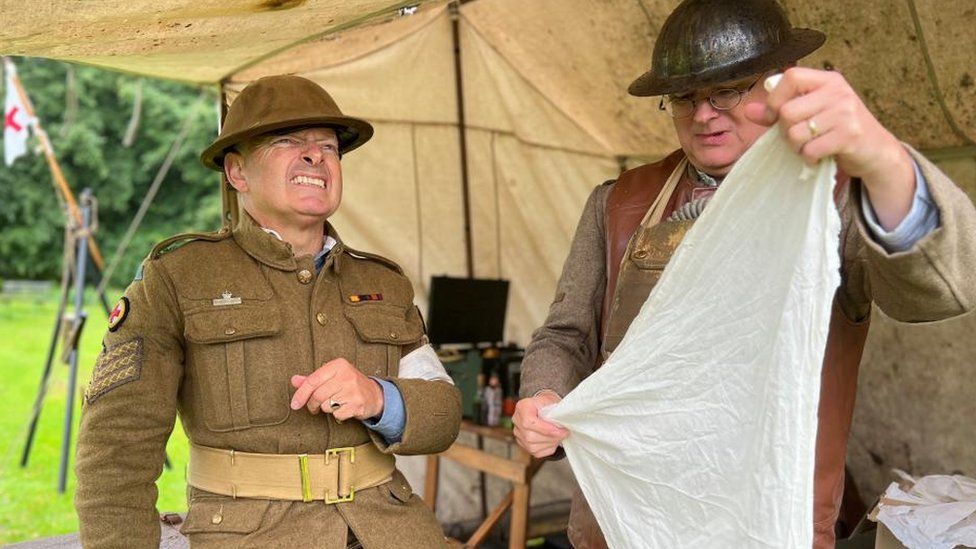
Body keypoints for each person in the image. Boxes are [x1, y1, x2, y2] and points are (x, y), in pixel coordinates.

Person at [511, 1, 976, 548]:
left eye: (729, 89)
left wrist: (885, 164)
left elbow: (938, 293)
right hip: (623, 515)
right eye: (685, 96)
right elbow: (566, 335)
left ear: (775, 84)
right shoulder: (619, 202)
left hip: (766, 519)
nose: (704, 114)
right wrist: (544, 393)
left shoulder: (836, 195)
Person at [75, 75, 461, 548]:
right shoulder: (177, 276)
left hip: (393, 530)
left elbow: (443, 413)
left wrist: (380, 398)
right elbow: (118, 450)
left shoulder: (383, 281)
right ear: (237, 173)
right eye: (287, 141)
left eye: (328, 147)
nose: (315, 156)